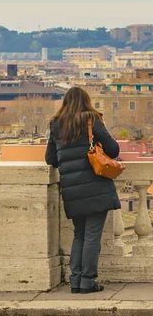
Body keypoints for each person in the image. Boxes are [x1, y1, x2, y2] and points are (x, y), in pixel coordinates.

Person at [45, 86, 121, 294]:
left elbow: (50, 159)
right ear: (86, 101)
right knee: (92, 236)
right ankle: (87, 281)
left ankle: (75, 281)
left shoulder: (55, 124)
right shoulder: (92, 120)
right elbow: (113, 150)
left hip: (72, 189)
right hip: (96, 185)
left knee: (79, 235)